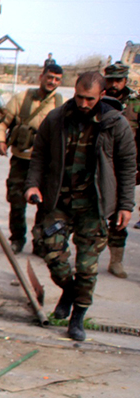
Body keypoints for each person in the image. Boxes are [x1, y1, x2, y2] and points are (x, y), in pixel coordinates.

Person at [25, 71, 136, 341]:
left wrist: (125, 205)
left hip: (94, 206)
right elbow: (39, 155)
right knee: (52, 254)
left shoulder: (115, 124)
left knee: (87, 268)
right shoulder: (56, 119)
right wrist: (33, 185)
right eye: (79, 97)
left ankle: (78, 316)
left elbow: (127, 166)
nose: (83, 104)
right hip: (58, 201)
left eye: (90, 99)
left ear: (101, 96)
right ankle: (69, 290)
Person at [0, 62, 64, 255]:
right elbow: (2, 122)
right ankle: (17, 238)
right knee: (17, 202)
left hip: (47, 163)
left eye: (57, 79)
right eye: (49, 77)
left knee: (45, 205)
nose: (52, 82)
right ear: (41, 77)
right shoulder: (21, 98)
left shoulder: (61, 104)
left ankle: (40, 241)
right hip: (21, 160)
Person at [102, 61, 139, 278]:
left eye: (118, 80)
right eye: (110, 80)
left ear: (125, 80)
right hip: (99, 165)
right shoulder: (98, 98)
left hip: (123, 167)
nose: (114, 84)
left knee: (119, 216)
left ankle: (116, 261)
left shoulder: (135, 104)